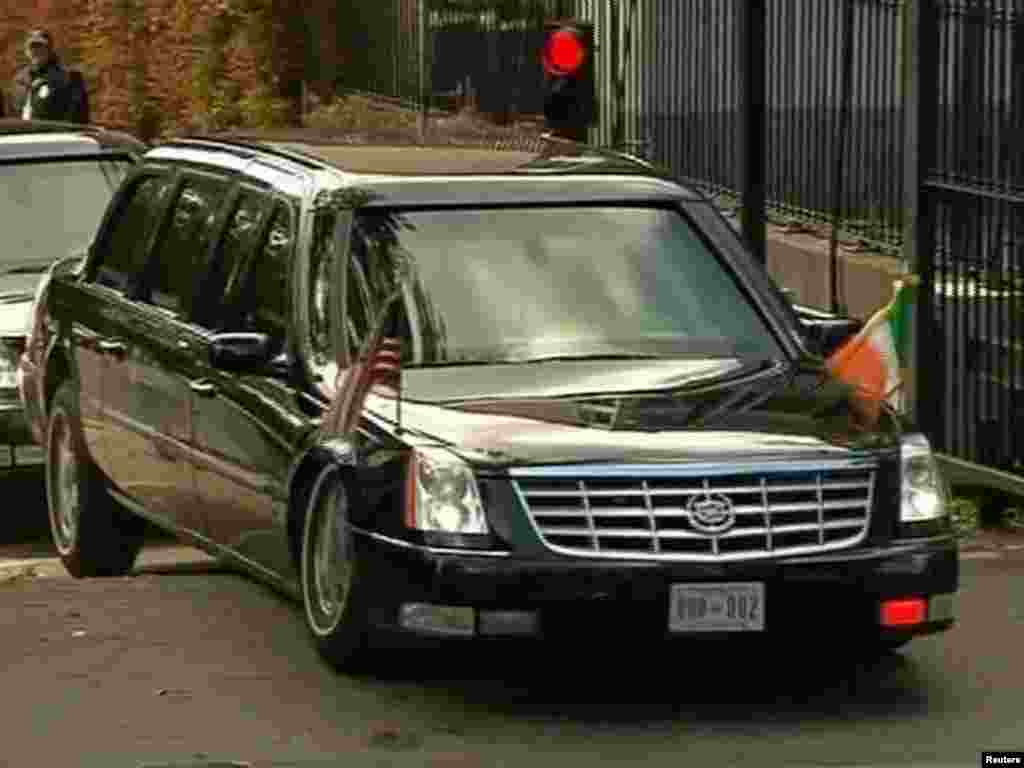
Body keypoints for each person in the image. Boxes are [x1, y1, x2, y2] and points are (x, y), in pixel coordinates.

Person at [11, 29, 83, 123]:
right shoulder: (20, 80)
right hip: (24, 135)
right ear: (26, 51)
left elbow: (76, 116)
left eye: (40, 46)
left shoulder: (67, 78)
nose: (35, 51)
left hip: (53, 135)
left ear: (50, 49)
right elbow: (14, 113)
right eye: (32, 47)